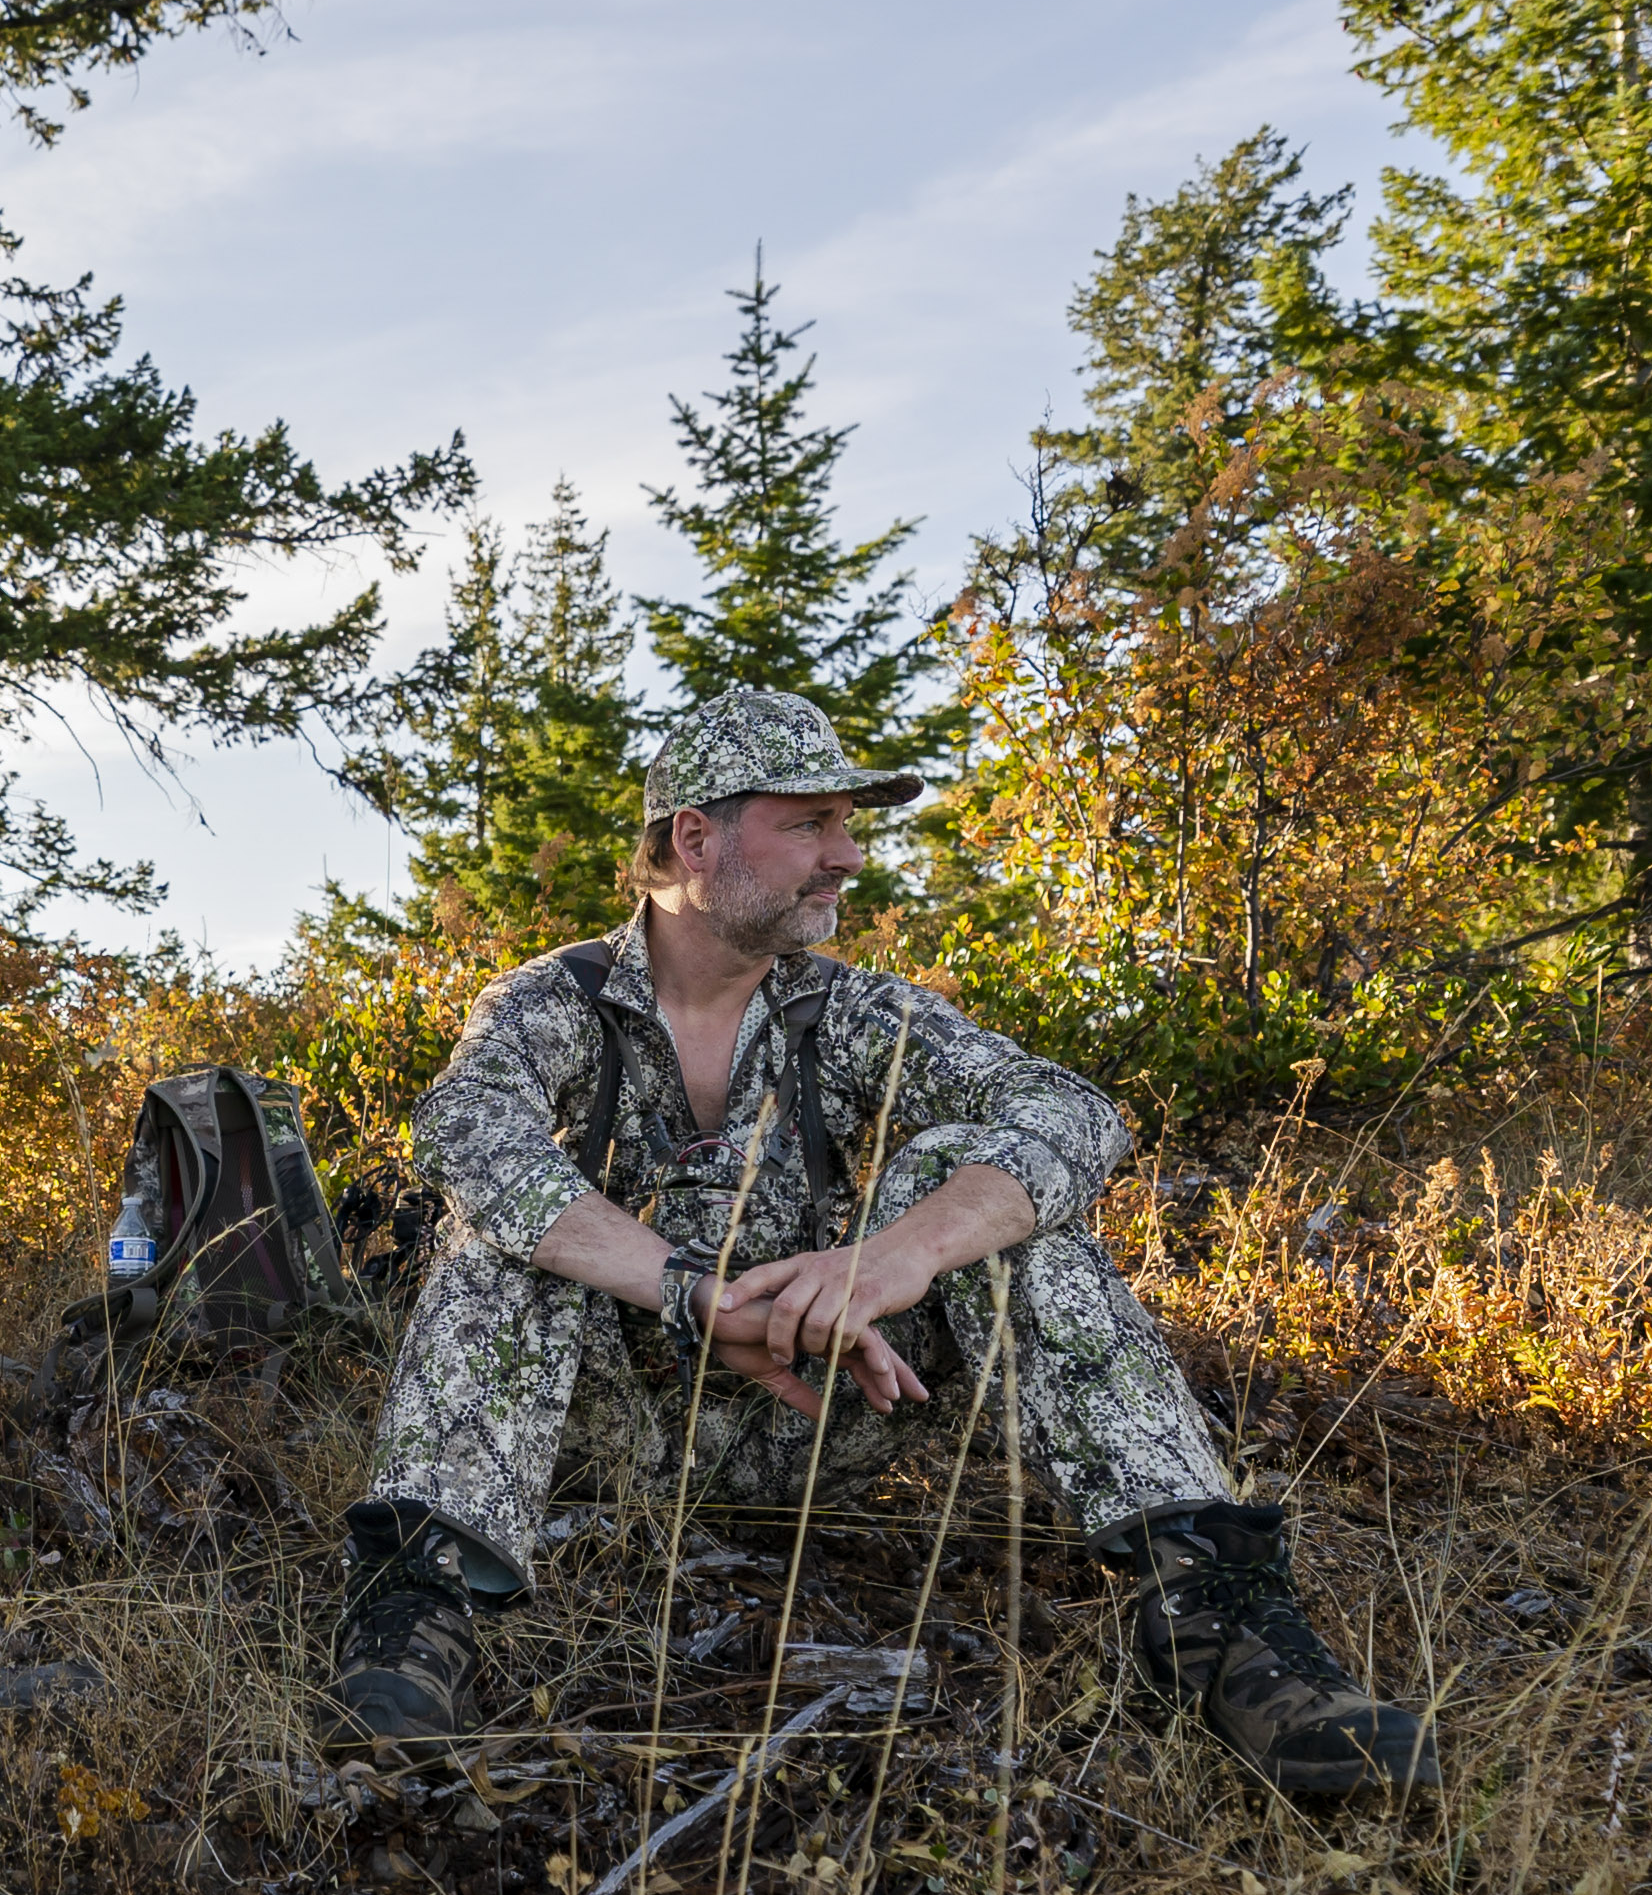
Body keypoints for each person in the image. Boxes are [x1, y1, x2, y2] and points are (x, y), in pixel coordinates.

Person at [334, 689, 1431, 1806]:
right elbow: (463, 1132)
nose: (845, 857)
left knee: (983, 1183)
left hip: (834, 1412)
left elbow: (1071, 1111)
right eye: (808, 823)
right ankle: (414, 1617)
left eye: (846, 827)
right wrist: (686, 1294)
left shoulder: (852, 1011)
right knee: (500, 1227)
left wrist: (896, 1256)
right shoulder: (552, 1003)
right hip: (613, 1428)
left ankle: (1224, 1633)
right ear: (692, 836)